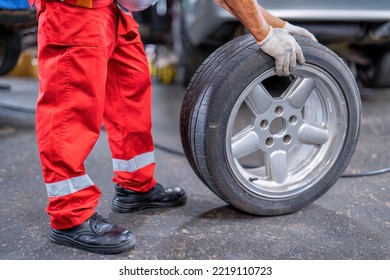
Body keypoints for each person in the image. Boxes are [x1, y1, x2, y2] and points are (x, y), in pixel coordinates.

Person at [28, 0, 316, 255]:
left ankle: (135, 188)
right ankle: (70, 216)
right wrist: (265, 35)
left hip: (112, 10)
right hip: (74, 9)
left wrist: (280, 26)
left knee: (131, 95)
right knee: (70, 108)